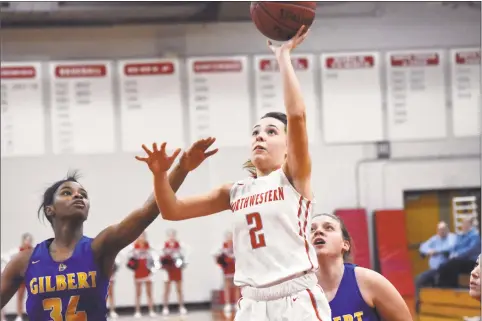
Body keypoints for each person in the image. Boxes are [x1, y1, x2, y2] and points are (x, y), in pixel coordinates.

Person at [136, 25, 331, 321]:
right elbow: (172, 211)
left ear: (289, 146)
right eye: (255, 132)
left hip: (295, 298)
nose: (260, 136)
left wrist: (283, 57)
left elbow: (297, 116)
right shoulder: (234, 191)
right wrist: (167, 173)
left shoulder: (293, 177)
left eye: (270, 131)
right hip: (252, 303)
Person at [0, 138, 216, 320]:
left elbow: (147, 212)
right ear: (50, 209)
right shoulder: (24, 261)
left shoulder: (100, 247)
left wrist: (181, 168)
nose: (78, 196)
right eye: (67, 192)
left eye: (83, 194)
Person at [311, 213, 412, 321]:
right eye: (311, 229)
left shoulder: (369, 281)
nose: (318, 231)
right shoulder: (296, 291)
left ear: (345, 244)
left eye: (329, 228)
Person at [415, 221, 456, 310]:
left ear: (447, 229)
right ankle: (419, 304)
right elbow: (423, 247)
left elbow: (450, 247)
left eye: (443, 229)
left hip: (446, 270)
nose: (441, 231)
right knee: (418, 279)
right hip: (433, 270)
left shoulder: (452, 237)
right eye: (439, 230)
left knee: (439, 280)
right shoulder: (435, 239)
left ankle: (442, 307)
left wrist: (436, 251)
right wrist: (429, 251)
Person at [438, 218, 481, 288]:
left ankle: (451, 286)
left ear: (470, 225)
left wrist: (457, 255)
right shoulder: (461, 236)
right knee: (443, 264)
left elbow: (470, 250)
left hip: (472, 261)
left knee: (453, 263)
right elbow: (455, 247)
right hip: (460, 260)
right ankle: (441, 286)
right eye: (463, 224)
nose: (463, 226)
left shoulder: (475, 236)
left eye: (465, 224)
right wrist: (453, 254)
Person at [160, 229, 188, 316]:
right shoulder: (163, 246)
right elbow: (159, 256)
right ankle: (165, 307)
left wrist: (183, 263)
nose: (172, 237)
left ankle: (181, 307)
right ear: (167, 236)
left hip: (177, 269)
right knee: (166, 290)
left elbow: (187, 252)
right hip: (168, 270)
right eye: (170, 235)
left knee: (179, 289)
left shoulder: (179, 245)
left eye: (173, 235)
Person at [129, 232, 156, 318]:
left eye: (143, 236)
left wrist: (152, 268)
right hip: (138, 272)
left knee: (149, 293)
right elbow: (128, 257)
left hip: (147, 272)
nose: (141, 238)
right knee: (138, 293)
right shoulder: (133, 247)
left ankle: (151, 310)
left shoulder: (149, 247)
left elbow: (154, 258)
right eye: (140, 236)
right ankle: (137, 311)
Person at [214, 231, 239, 317]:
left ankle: (236, 303)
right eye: (227, 236)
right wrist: (221, 262)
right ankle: (227, 304)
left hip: (235, 268)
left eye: (230, 236)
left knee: (236, 286)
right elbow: (216, 256)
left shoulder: (236, 245)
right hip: (227, 269)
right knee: (227, 286)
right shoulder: (222, 246)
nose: (229, 238)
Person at [14, 233, 34, 321]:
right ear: (23, 240)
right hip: (21, 278)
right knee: (20, 297)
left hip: (30, 277)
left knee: (33, 297)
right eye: (26, 240)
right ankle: (19, 315)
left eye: (29, 240)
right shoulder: (18, 251)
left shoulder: (34, 251)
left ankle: (34, 315)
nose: (27, 242)